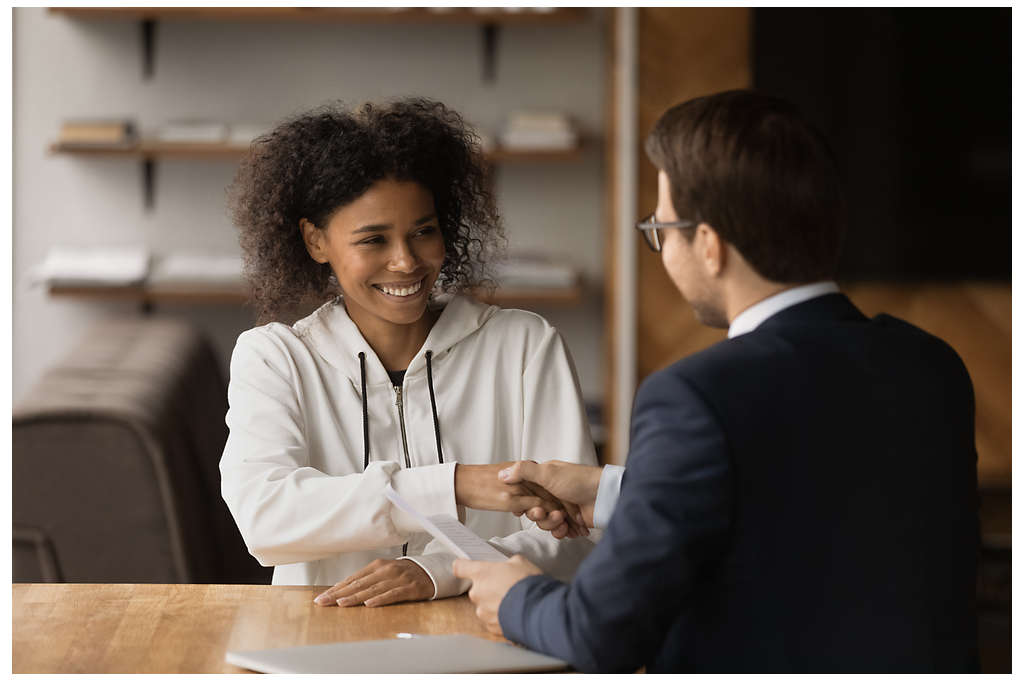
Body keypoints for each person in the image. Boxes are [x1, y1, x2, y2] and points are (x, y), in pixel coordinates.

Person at [453, 90, 979, 672]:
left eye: (661, 228)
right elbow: (799, 507)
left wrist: (516, 597)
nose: (661, 246)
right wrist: (615, 493)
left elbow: (600, 634)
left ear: (708, 245)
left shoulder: (695, 396)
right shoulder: (931, 365)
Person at [220, 98, 596, 608]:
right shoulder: (275, 359)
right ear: (315, 240)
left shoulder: (526, 346)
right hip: (325, 643)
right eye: (373, 239)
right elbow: (265, 519)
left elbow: (576, 539)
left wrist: (438, 569)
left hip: (490, 638)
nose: (406, 261)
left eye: (424, 231)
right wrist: (453, 485)